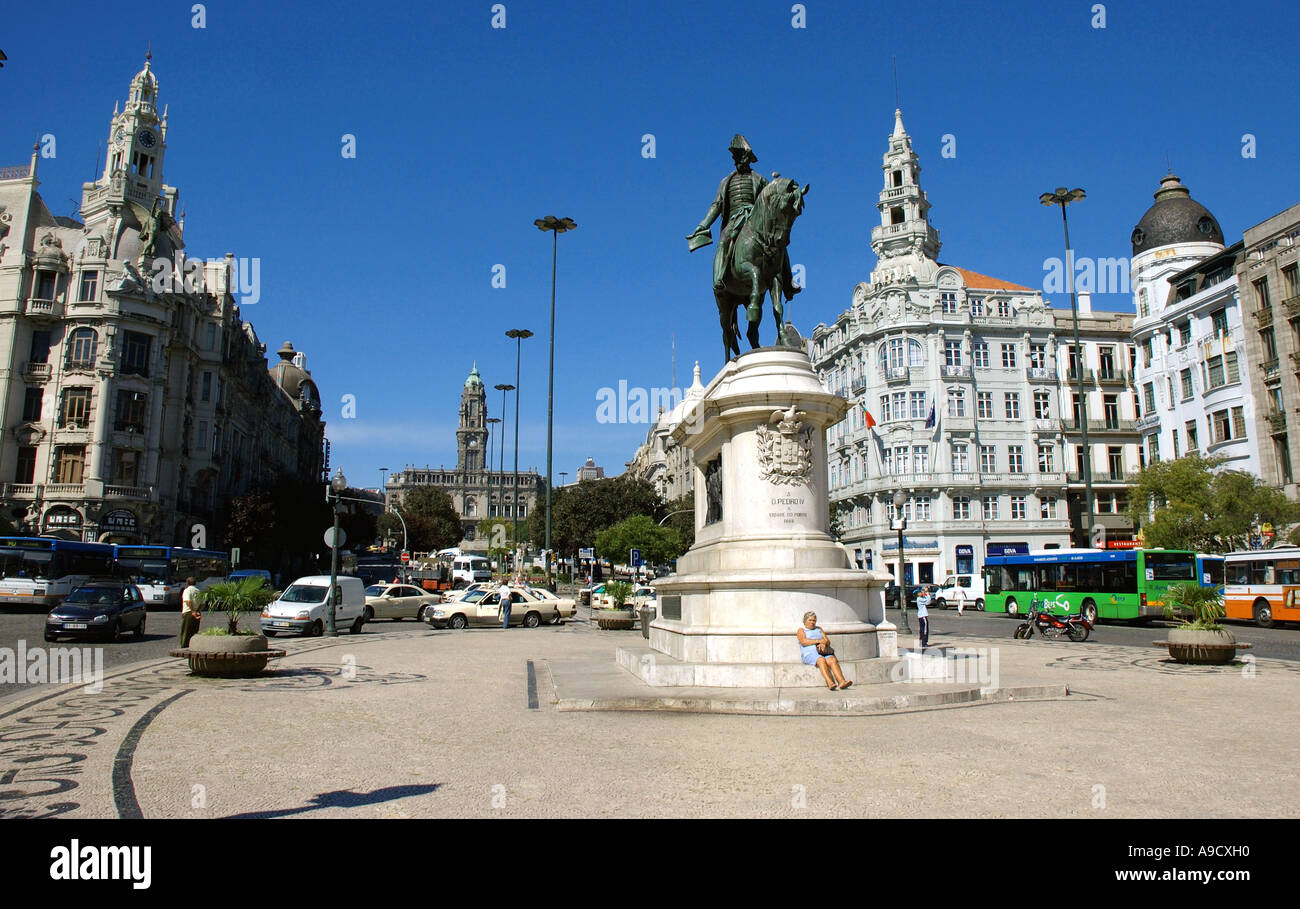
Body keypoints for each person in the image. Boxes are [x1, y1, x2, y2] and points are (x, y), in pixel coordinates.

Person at [796, 612, 851, 691]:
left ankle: (842, 681)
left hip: (823, 652)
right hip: (809, 654)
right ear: (805, 621)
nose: (812, 622)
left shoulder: (819, 629)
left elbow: (827, 641)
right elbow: (803, 641)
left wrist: (824, 643)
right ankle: (830, 682)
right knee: (821, 660)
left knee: (832, 660)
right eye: (810, 620)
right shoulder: (801, 630)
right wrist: (818, 641)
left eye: (814, 620)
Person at [179, 576, 202, 648]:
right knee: (194, 631)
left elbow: (188, 601)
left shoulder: (187, 590)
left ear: (187, 583)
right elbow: (203, 603)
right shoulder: (198, 591)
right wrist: (197, 611)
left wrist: (193, 611)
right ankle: (193, 646)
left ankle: (184, 647)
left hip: (188, 612)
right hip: (197, 612)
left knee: (185, 631)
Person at [916, 584, 932, 649]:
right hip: (923, 616)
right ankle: (924, 642)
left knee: (922, 629)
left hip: (921, 616)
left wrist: (926, 593)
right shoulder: (919, 599)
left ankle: (921, 642)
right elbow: (928, 601)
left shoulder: (920, 599)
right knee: (925, 629)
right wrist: (927, 594)